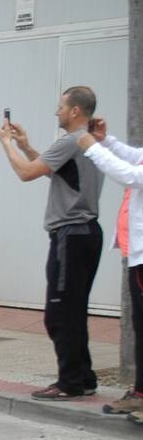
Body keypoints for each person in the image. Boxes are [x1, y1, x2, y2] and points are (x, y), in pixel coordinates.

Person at [0, 86, 105, 399]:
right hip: (86, 234)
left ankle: (69, 381)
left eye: (61, 107)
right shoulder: (90, 142)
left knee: (59, 314)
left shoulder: (71, 140)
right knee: (74, 309)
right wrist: (26, 145)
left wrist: (8, 145)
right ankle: (83, 377)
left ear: (75, 111)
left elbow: (27, 173)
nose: (56, 112)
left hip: (70, 236)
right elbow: (55, 172)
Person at [75, 118, 143, 419]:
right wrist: (106, 141)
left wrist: (92, 148)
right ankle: (140, 393)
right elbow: (135, 157)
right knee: (140, 328)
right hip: (137, 256)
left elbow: (130, 175)